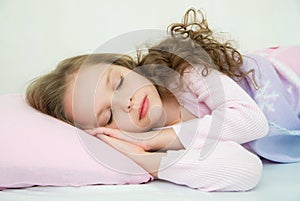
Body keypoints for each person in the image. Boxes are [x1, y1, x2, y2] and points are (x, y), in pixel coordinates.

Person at [25, 8, 300, 192]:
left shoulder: (184, 72)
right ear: (107, 132)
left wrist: (160, 138)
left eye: (119, 82)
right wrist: (143, 158)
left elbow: (252, 123)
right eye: (108, 115)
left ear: (130, 66)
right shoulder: (154, 146)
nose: (126, 103)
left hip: (290, 75)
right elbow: (246, 170)